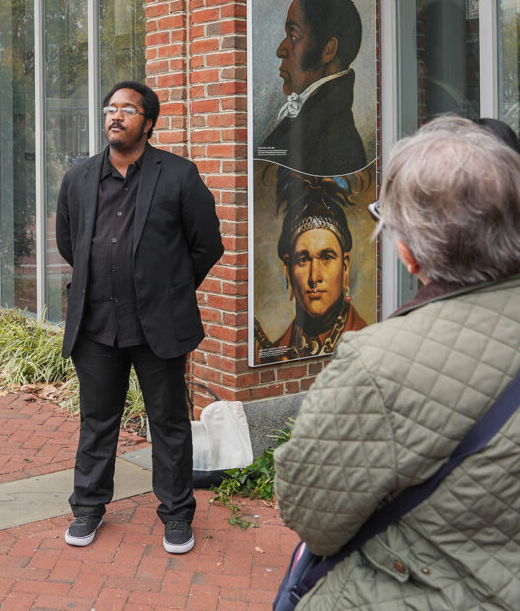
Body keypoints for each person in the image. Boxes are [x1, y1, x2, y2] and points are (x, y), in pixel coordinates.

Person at [275, 116, 520, 610]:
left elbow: (312, 516)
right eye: (302, 259)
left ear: (408, 253)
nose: (315, 276)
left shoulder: (376, 362)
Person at [55, 80, 224, 553]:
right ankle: (87, 508)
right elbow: (70, 244)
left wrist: (170, 287)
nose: (115, 116)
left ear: (148, 122)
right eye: (110, 108)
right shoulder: (80, 178)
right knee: (97, 421)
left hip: (158, 326)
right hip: (96, 325)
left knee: (168, 422)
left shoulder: (179, 176)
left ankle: (176, 515)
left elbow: (207, 244)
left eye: (127, 110)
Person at [253, 171, 368, 362]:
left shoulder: (367, 344)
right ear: (287, 271)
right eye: (303, 260)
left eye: (327, 257)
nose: (314, 277)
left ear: (345, 267)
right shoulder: (273, 354)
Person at [258, 0, 369, 176]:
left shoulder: (338, 140)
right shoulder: (315, 120)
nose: (280, 50)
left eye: (294, 36)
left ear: (328, 50)